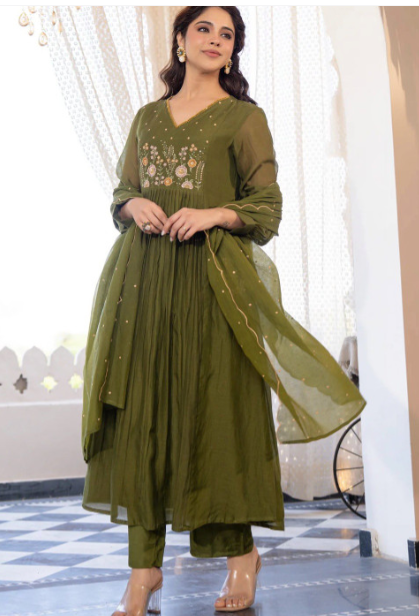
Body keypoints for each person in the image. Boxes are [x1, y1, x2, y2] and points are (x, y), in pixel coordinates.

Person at [81, 6, 367, 615]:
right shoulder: (147, 118)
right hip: (145, 283)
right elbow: (122, 190)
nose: (215, 40)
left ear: (234, 50)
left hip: (214, 285)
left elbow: (266, 207)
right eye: (204, 30)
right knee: (141, 417)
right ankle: (143, 572)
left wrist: (211, 213)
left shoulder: (243, 118)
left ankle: (241, 556)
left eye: (227, 34)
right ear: (181, 41)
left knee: (218, 414)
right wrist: (133, 206)